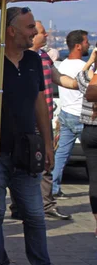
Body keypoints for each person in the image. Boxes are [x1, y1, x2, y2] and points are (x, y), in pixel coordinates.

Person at [0, 7, 67, 265]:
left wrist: (47, 144)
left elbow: (40, 105)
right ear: (12, 30)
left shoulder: (34, 60)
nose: (34, 32)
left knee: (34, 215)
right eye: (30, 27)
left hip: (26, 151)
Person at [10, 21, 70, 221]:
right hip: (26, 121)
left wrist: (82, 82)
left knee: (43, 163)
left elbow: (59, 78)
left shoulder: (43, 57)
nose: (43, 35)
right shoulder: (17, 59)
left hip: (43, 119)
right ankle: (21, 205)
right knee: (23, 162)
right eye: (40, 32)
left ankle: (45, 203)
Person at [51, 30, 89, 199]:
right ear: (78, 45)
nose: (88, 45)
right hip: (81, 115)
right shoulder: (84, 67)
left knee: (61, 154)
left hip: (65, 113)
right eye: (87, 42)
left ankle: (53, 188)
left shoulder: (62, 65)